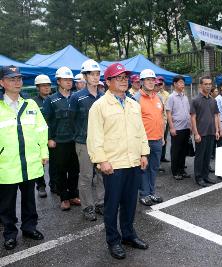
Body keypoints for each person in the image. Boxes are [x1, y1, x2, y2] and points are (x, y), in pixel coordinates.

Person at [87, 62, 150, 260]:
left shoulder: (133, 104)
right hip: (113, 165)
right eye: (119, 78)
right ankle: (113, 240)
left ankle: (129, 235)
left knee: (131, 203)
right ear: (108, 82)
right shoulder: (99, 106)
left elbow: (141, 132)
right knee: (112, 205)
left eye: (125, 78)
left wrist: (143, 154)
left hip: (133, 162)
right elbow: (94, 137)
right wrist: (101, 160)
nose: (124, 81)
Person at [0, 66, 48, 250]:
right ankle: (10, 234)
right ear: (2, 82)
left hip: (30, 162)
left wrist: (43, 153)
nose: (17, 82)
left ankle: (30, 228)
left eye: (19, 78)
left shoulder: (31, 104)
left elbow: (42, 130)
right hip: (6, 164)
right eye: (12, 79)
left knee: (29, 200)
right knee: (7, 204)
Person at [69, 59, 105, 221]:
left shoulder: (104, 97)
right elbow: (72, 119)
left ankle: (100, 203)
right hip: (83, 142)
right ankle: (87, 207)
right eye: (92, 74)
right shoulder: (76, 97)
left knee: (101, 175)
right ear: (84, 76)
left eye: (97, 74)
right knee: (85, 176)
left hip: (101, 143)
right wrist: (80, 136)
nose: (95, 77)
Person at [43, 66, 80, 211]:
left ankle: (73, 195)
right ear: (58, 81)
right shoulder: (51, 100)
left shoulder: (76, 97)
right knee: (60, 170)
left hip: (75, 140)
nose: (69, 82)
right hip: (59, 141)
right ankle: (64, 198)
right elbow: (46, 121)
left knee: (74, 170)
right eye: (65, 80)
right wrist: (50, 138)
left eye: (70, 80)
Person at [134, 69, 164, 206]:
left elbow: (161, 119)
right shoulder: (136, 99)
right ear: (141, 82)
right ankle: (144, 194)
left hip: (157, 139)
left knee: (154, 167)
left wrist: (162, 136)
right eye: (148, 80)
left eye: (153, 80)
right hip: (143, 141)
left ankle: (152, 192)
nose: (151, 82)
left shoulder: (158, 97)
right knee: (143, 169)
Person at [190, 76, 220, 187]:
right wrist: (196, 133)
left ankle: (206, 176)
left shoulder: (213, 100)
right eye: (205, 84)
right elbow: (192, 118)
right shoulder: (195, 100)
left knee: (207, 156)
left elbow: (216, 116)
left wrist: (217, 130)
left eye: (209, 84)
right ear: (200, 85)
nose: (208, 86)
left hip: (211, 132)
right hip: (200, 134)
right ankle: (198, 177)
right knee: (200, 157)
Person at [166, 75, 191, 180]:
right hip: (177, 128)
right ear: (175, 84)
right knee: (176, 150)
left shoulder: (185, 97)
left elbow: (188, 112)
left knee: (183, 150)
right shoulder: (171, 97)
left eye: (183, 82)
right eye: (180, 82)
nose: (182, 84)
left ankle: (182, 169)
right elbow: (168, 113)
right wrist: (171, 128)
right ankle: (175, 171)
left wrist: (190, 126)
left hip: (186, 128)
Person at [32, 74, 53, 198]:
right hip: (38, 137)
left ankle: (54, 184)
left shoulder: (53, 99)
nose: (46, 88)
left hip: (52, 135)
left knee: (54, 162)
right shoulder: (33, 102)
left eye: (48, 85)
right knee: (40, 162)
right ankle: (41, 186)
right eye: (43, 85)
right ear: (37, 87)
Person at [155, 76, 170, 163]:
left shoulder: (166, 94)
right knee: (157, 140)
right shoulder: (154, 95)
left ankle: (162, 157)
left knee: (164, 138)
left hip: (165, 119)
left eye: (161, 83)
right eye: (158, 83)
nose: (160, 85)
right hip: (157, 120)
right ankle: (157, 161)